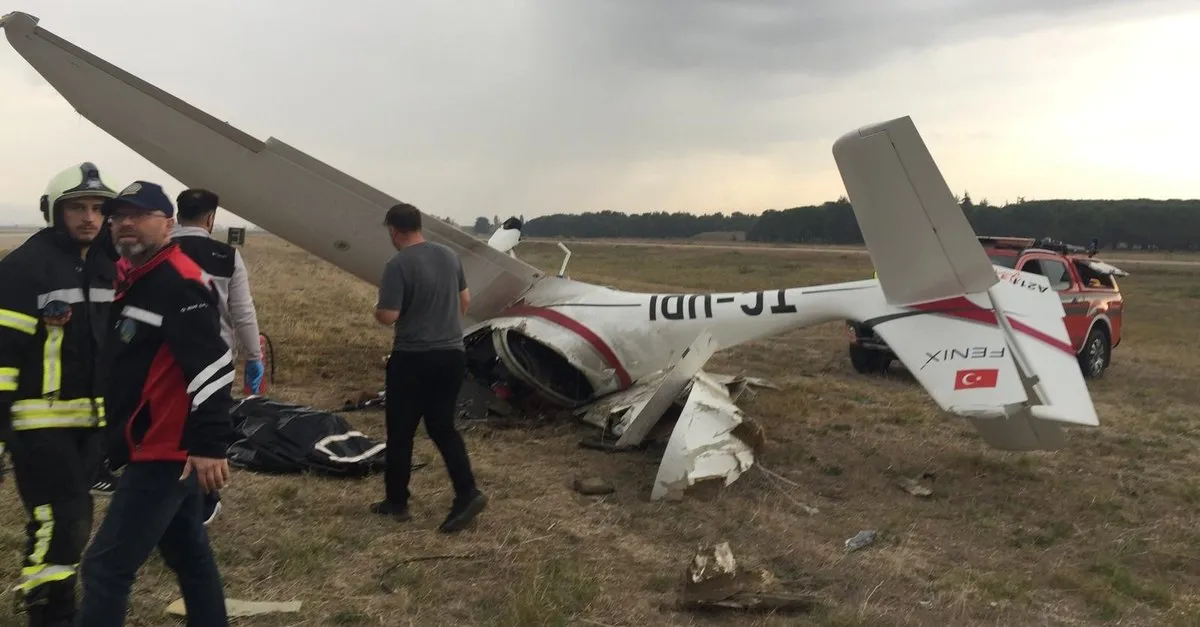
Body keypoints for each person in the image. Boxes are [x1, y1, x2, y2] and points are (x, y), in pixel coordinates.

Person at [75, 181, 235, 627]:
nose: (125, 224)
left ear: (168, 224)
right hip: (157, 444)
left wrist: (209, 444)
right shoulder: (139, 276)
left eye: (138, 215)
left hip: (165, 451)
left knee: (105, 567)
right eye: (118, 217)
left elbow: (214, 363)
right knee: (188, 554)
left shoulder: (177, 281)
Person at [0, 162, 119, 627]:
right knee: (62, 520)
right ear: (54, 211)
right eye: (77, 207)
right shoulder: (24, 268)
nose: (89, 218)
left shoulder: (114, 266)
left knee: (71, 517)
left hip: (94, 425)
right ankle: (50, 613)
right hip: (38, 425)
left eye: (98, 208)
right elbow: (1, 354)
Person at [372, 202, 487, 533]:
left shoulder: (397, 265)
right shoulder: (449, 256)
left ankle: (397, 502)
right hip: (452, 354)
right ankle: (467, 492)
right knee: (442, 427)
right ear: (419, 226)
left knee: (401, 432)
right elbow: (465, 301)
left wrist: (378, 310)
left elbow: (389, 315)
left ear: (394, 230)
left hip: (413, 358)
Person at [171, 187, 265, 526]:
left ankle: (173, 490)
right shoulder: (226, 256)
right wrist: (254, 356)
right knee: (206, 427)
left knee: (171, 427)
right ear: (211, 219)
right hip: (215, 359)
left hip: (167, 358)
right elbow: (243, 312)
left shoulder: (159, 249)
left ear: (177, 213)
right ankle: (205, 499)